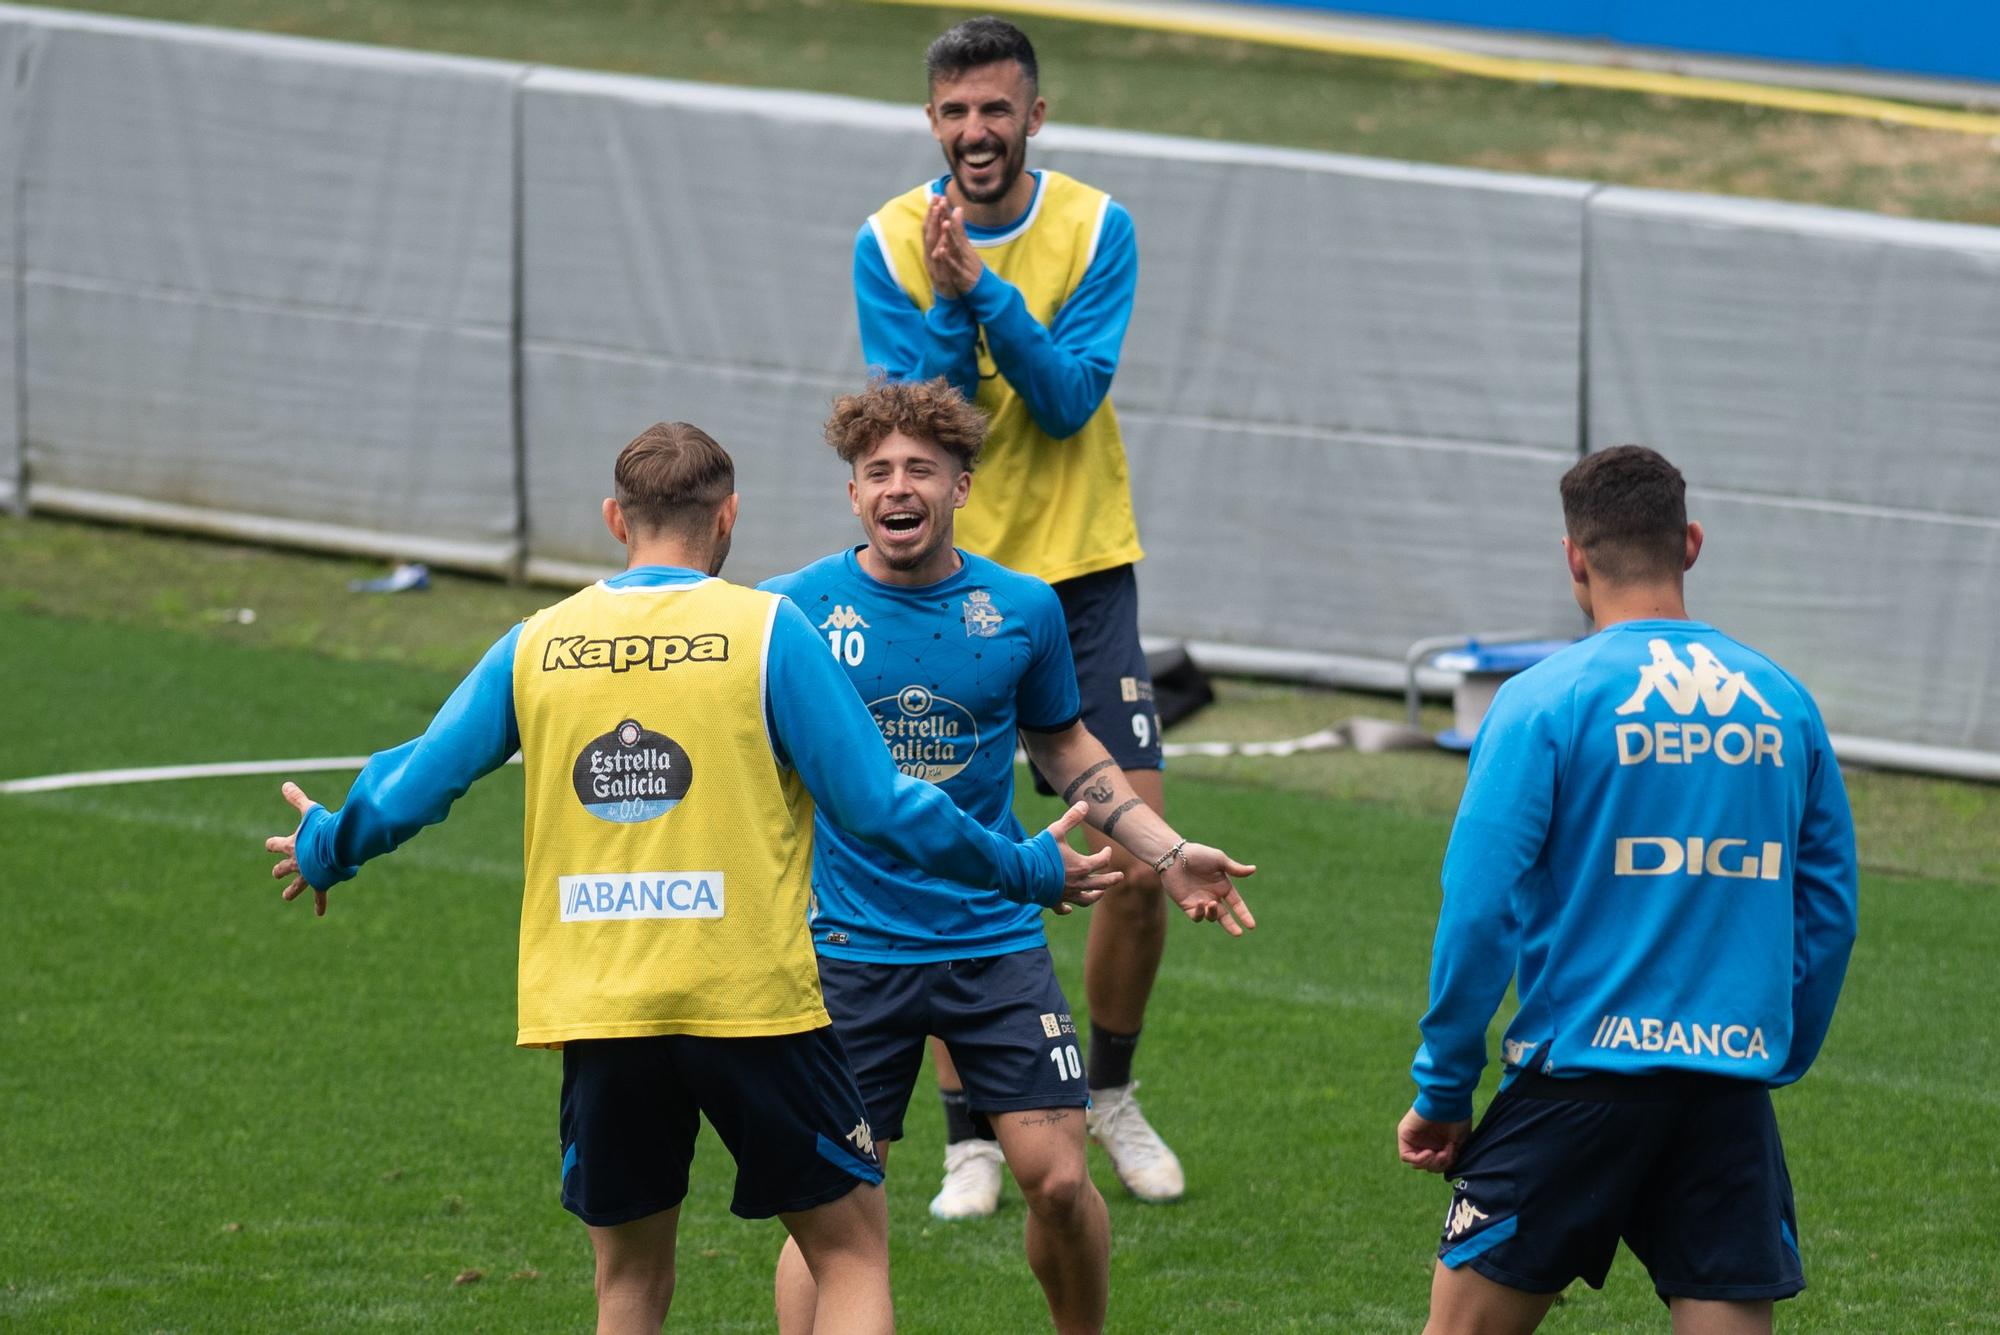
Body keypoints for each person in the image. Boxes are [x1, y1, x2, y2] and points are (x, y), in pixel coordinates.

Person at [258, 421, 1122, 1335]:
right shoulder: (766, 631)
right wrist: (1023, 866)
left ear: (613, 519)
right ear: (729, 517)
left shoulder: (541, 640)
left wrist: (329, 845)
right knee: (849, 1250)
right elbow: (884, 806)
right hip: (747, 997)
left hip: (601, 1000)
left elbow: (416, 782)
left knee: (628, 1284)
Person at [761, 379, 1256, 1333]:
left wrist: (1166, 848)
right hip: (847, 952)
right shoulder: (793, 611)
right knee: (830, 1210)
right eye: (877, 472)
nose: (897, 487)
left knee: (1060, 1181)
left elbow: (1066, 746)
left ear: (962, 486)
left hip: (994, 945)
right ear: (853, 495)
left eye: (920, 469)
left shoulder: (1022, 609)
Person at [1396, 445, 1860, 1334]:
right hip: (1724, 1094)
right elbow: (1830, 907)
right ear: (1690, 543)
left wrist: (1445, 1085)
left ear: (1575, 557)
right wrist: (1772, 1048)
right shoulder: (1782, 703)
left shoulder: (1544, 700)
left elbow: (1479, 908)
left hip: (1576, 1084)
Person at [853, 14, 1183, 1212]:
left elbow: (1060, 401)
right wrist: (951, 299)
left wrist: (984, 290)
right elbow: (930, 423)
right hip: (950, 588)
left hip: (1082, 581)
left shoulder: (1098, 226)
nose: (974, 133)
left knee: (1137, 860)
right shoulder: (886, 238)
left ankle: (1104, 1094)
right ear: (929, 120)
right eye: (953, 113)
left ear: (1034, 115)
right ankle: (971, 1135)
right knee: (946, 856)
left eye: (995, 110)